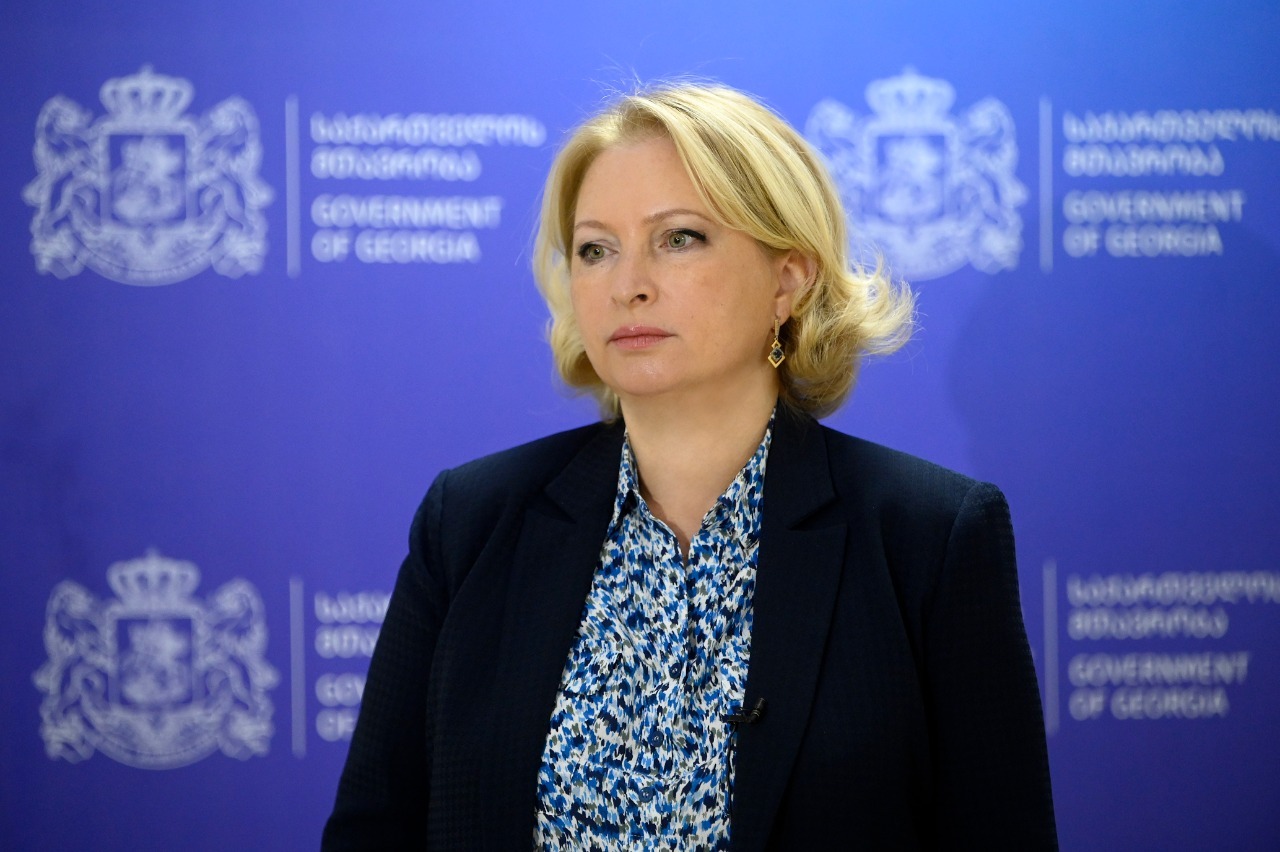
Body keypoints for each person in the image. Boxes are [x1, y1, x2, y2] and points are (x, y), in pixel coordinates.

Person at [322, 82, 1057, 850]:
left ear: (788, 278)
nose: (628, 284)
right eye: (596, 249)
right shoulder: (470, 521)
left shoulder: (929, 537)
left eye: (678, 238)